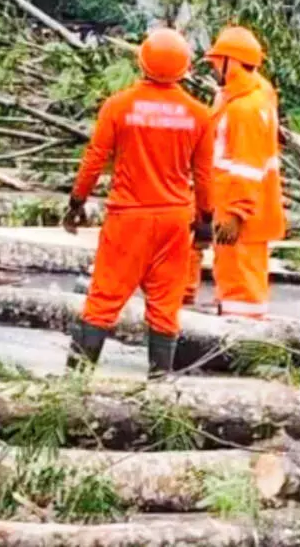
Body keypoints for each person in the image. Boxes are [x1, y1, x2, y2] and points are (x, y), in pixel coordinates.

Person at [62, 28, 214, 378]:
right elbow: (205, 176)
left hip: (128, 218)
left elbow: (94, 159)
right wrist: (205, 221)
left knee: (103, 301)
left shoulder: (118, 106)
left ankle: (74, 384)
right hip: (174, 221)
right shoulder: (199, 114)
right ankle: (159, 386)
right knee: (165, 306)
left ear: (141, 62)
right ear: (185, 69)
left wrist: (77, 201)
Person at [193, 25, 285, 318]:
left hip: (239, 209)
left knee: (240, 281)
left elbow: (247, 166)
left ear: (230, 62)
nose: (213, 69)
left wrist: (235, 214)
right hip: (245, 204)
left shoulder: (244, 109)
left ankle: (242, 331)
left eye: (216, 63)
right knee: (239, 275)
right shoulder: (256, 94)